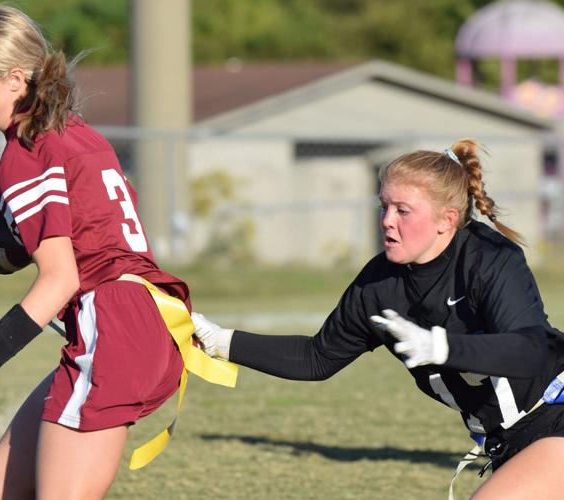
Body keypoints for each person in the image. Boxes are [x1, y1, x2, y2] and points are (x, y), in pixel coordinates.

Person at [192, 139, 564, 499]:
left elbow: (529, 350)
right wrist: (218, 341)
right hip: (508, 439)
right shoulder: (379, 284)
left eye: (403, 211)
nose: (387, 221)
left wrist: (442, 346)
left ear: (446, 220)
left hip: (554, 412)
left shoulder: (489, 256)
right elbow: (316, 358)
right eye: (384, 206)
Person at [0, 5, 200, 499]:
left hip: (117, 323)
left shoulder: (25, 155)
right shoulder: (72, 132)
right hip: (141, 316)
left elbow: (61, 277)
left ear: (15, 79)